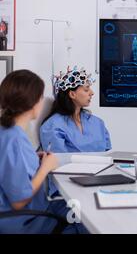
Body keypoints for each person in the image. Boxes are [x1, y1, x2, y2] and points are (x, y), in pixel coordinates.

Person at [0, 70, 85, 233]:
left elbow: (12, 166)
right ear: (33, 102)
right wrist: (46, 167)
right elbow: (19, 201)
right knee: (85, 219)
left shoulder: (7, 132)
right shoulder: (15, 139)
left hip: (29, 210)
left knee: (78, 205)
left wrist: (33, 158)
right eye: (41, 97)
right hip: (25, 220)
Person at [40, 66, 111, 154]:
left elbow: (108, 153)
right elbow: (56, 160)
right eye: (86, 89)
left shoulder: (97, 123)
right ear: (72, 94)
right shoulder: (53, 126)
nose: (92, 93)